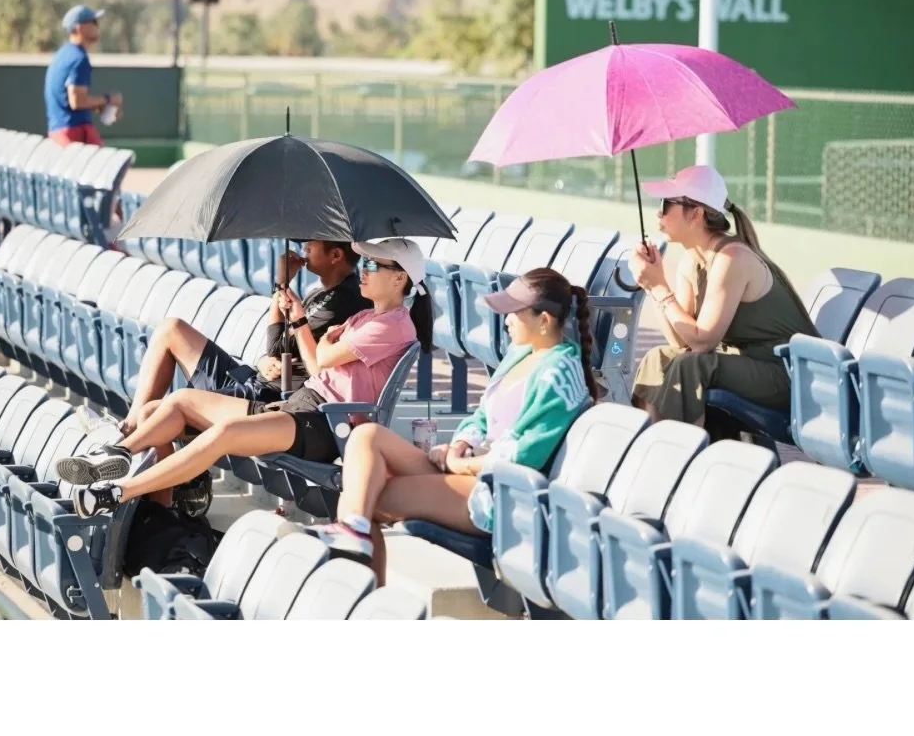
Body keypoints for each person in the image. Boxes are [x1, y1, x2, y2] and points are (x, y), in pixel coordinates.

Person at [56, 238, 433, 518]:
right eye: (363, 263)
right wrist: (307, 326)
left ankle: (115, 492)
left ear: (399, 277)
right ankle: (119, 453)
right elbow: (319, 354)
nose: (363, 270)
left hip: (322, 424)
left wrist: (300, 319)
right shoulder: (365, 318)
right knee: (177, 402)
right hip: (297, 407)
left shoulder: (394, 325)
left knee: (223, 433)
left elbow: (319, 363)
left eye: (372, 266)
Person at [316, 268, 596, 582]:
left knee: (369, 498)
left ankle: (368, 587)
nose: (505, 320)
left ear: (544, 320)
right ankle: (355, 540)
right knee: (367, 437)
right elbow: (481, 416)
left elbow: (522, 457)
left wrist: (461, 464)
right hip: (471, 469)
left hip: (501, 495)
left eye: (513, 313)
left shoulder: (556, 375)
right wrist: (461, 444)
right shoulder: (523, 352)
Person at [111, 240, 365, 446]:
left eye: (312, 243)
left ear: (335, 255)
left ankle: (163, 498)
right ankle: (129, 427)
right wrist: (281, 286)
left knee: (155, 413)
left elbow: (277, 348)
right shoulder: (321, 291)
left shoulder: (344, 300)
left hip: (270, 394)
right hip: (255, 379)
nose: (304, 247)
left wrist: (283, 287)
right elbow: (275, 352)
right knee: (171, 329)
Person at [628, 164, 818, 430]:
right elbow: (682, 340)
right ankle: (652, 444)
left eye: (667, 203)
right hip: (750, 367)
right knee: (658, 357)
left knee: (691, 366)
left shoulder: (732, 258)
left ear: (696, 214)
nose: (659, 212)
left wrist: (660, 288)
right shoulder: (690, 261)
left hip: (788, 375)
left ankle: (679, 455)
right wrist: (652, 283)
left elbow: (703, 342)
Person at [44, 5, 121, 146]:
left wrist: (100, 107)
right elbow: (76, 102)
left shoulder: (64, 54)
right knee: (110, 166)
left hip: (59, 134)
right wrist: (108, 99)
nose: (97, 26)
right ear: (79, 28)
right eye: (93, 22)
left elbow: (69, 100)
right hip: (74, 135)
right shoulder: (79, 58)